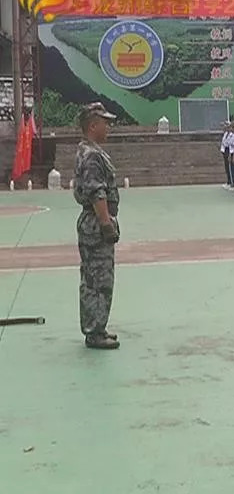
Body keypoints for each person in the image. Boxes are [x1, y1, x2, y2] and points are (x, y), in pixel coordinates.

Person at [73, 102, 121, 350]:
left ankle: (97, 327)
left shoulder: (89, 150)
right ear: (93, 125)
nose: (108, 127)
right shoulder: (92, 155)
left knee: (94, 277)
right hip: (95, 223)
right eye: (105, 122)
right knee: (98, 279)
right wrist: (106, 223)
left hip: (92, 222)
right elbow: (96, 192)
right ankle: (94, 331)